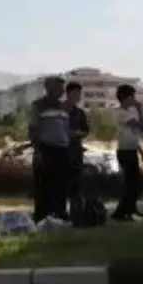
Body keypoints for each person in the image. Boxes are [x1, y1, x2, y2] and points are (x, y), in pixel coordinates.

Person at [27, 76, 72, 223]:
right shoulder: (38, 105)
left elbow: (66, 130)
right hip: (46, 149)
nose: (62, 91)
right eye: (59, 88)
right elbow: (33, 129)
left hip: (62, 149)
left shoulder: (64, 107)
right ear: (48, 88)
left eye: (63, 88)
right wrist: (38, 151)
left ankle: (60, 214)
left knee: (61, 184)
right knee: (44, 185)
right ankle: (41, 217)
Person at [111, 84, 143, 221]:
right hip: (125, 151)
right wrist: (140, 110)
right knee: (131, 183)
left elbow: (134, 133)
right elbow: (140, 125)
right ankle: (121, 212)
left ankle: (131, 209)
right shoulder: (121, 113)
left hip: (131, 150)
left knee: (134, 182)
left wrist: (140, 150)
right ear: (125, 98)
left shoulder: (129, 113)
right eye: (132, 97)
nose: (134, 100)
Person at [64, 81, 90, 217]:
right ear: (68, 93)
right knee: (61, 182)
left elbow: (86, 131)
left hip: (76, 151)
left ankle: (76, 212)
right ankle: (60, 211)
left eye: (79, 94)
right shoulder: (59, 110)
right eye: (75, 93)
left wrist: (78, 133)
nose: (78, 96)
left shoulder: (80, 113)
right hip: (61, 152)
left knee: (76, 183)